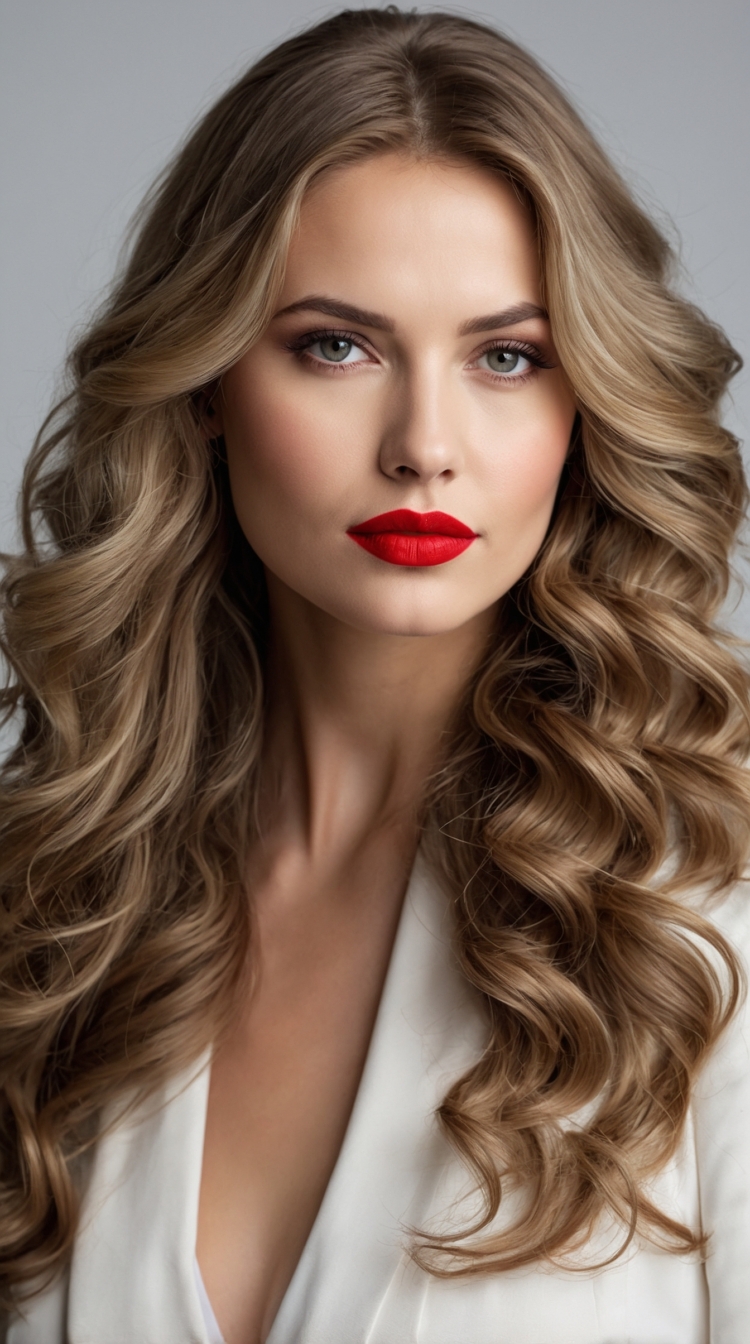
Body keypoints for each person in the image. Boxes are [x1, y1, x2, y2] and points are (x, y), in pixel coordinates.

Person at [1, 8, 749, 1342]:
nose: (422, 446)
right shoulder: (53, 910)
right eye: (334, 346)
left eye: (505, 358)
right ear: (206, 381)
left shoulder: (708, 916)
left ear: (586, 403)